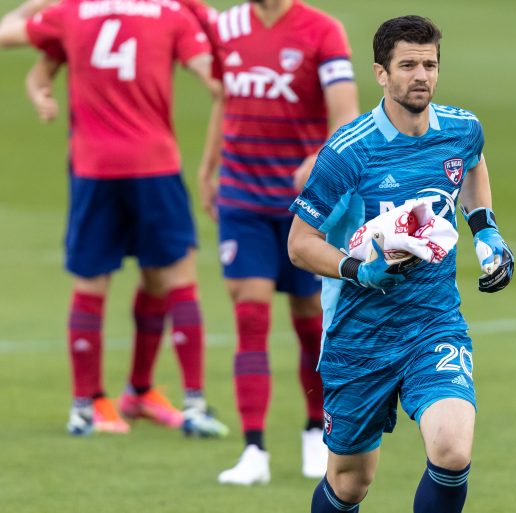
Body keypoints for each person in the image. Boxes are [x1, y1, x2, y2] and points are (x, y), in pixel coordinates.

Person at [287, 15, 514, 513]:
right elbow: (300, 244)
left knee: (452, 450)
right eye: (408, 64)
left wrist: (486, 230)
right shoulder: (348, 152)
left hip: (433, 323)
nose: (421, 76)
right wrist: (358, 269)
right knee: (350, 483)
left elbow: (473, 166)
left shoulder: (460, 129)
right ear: (381, 73)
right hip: (359, 335)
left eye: (430, 65)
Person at [0, 0, 228, 437]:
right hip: (154, 165)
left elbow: (9, 32)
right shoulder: (172, 13)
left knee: (94, 283)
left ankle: (92, 405)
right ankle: (194, 404)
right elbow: (212, 75)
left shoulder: (69, 12)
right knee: (176, 278)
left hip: (93, 168)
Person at [195, 0, 359, 484]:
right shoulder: (226, 26)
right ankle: (254, 450)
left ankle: (315, 432)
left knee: (310, 319)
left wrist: (320, 161)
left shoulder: (322, 30)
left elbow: (346, 112)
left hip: (303, 205)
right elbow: (225, 100)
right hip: (242, 196)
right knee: (250, 312)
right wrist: (208, 167)